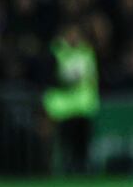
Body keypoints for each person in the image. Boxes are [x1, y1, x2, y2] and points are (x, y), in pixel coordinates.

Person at [42, 23, 100, 175]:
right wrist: (64, 79)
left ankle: (82, 169)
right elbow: (48, 77)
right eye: (71, 33)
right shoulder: (55, 51)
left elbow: (92, 76)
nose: (74, 37)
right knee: (63, 143)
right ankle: (62, 169)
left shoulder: (86, 51)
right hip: (62, 108)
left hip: (83, 106)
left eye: (76, 34)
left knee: (82, 143)